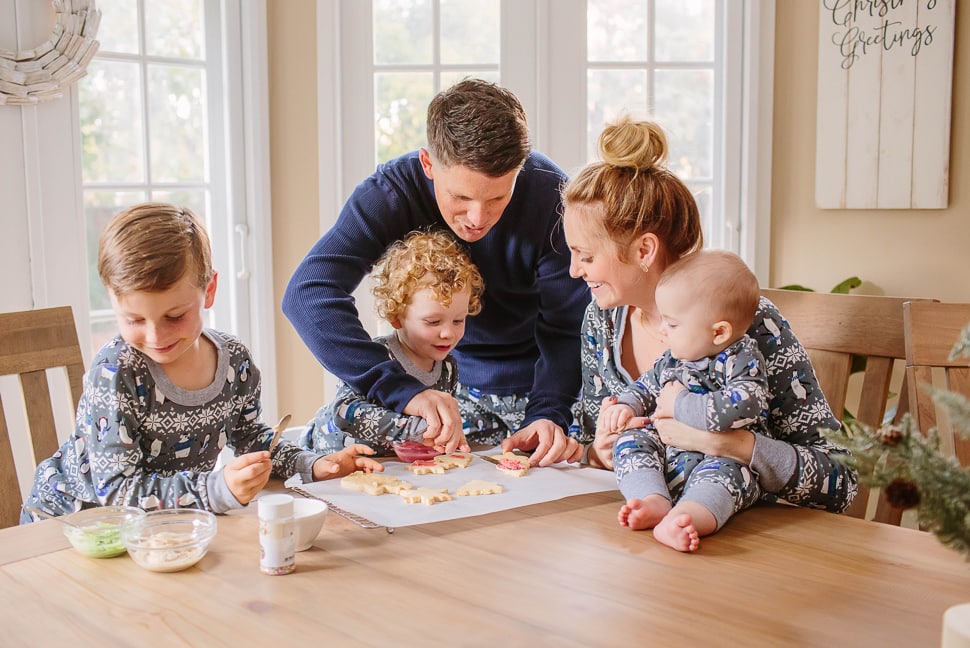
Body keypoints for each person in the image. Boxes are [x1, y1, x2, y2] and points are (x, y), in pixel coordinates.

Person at [563, 115, 858, 521]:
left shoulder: (746, 324)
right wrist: (599, 450)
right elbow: (590, 449)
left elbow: (841, 479)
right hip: (643, 543)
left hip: (740, 546)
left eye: (587, 255)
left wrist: (734, 446)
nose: (574, 271)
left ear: (644, 250)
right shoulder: (602, 321)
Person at [283, 78, 589, 465]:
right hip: (435, 383)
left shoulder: (552, 197)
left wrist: (549, 412)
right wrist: (400, 389)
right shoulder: (391, 193)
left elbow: (565, 328)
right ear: (428, 163)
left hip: (541, 385)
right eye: (460, 197)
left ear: (520, 169)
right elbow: (308, 293)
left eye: (498, 197)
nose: (478, 219)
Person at [22, 203, 382, 522]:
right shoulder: (116, 372)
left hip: (163, 529)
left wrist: (314, 465)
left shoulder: (234, 362)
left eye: (174, 316)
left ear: (209, 290)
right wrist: (215, 490)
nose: (156, 336)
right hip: (71, 527)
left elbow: (251, 438)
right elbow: (116, 493)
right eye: (134, 320)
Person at [597, 249, 769, 551]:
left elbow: (743, 405)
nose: (663, 330)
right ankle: (652, 499)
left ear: (718, 332)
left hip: (720, 458)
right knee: (632, 440)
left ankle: (686, 516)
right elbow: (646, 386)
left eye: (672, 324)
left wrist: (680, 404)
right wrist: (626, 405)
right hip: (668, 451)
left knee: (728, 477)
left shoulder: (741, 358)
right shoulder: (674, 359)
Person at [299, 230, 484, 455]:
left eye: (458, 320)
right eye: (433, 321)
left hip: (387, 463)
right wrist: (413, 429)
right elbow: (345, 412)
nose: (448, 333)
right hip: (334, 457)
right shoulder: (377, 357)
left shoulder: (448, 367)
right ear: (396, 317)